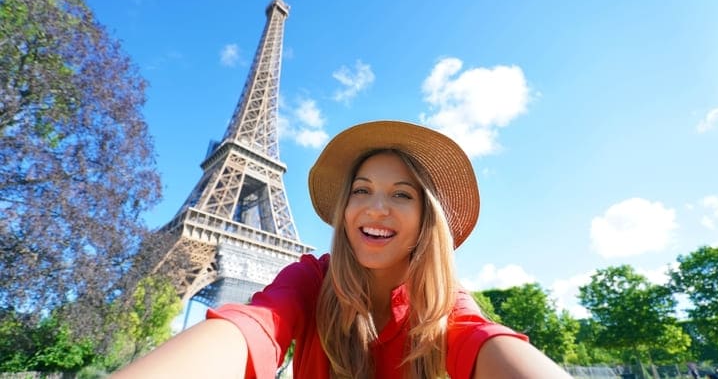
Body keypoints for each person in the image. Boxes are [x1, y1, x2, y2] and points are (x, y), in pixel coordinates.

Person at [111, 120, 573, 378]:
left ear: (426, 220)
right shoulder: (310, 281)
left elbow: (486, 341)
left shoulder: (443, 303)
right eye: (362, 190)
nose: (375, 209)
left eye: (401, 195)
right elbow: (253, 327)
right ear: (344, 206)